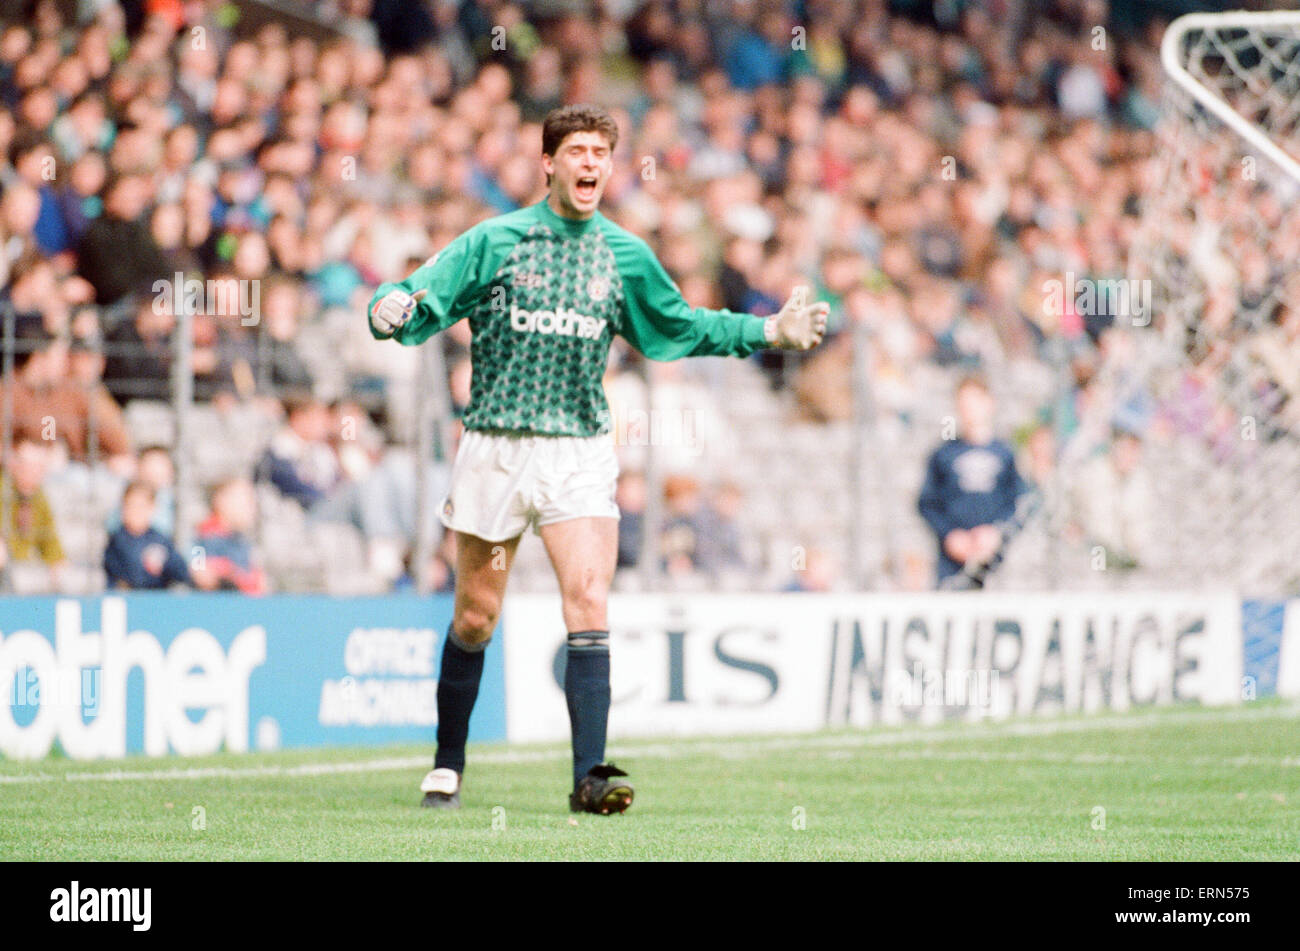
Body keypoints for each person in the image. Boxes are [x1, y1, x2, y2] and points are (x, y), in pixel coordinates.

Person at [367, 104, 828, 814]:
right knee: (476, 617)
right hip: (495, 446)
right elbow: (417, 295)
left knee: (587, 599)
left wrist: (767, 327)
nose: (589, 163)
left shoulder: (623, 254)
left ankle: (590, 776)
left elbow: (681, 327)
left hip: (580, 450)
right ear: (547, 162)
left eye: (600, 153)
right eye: (576, 150)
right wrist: (388, 306)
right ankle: (448, 760)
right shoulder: (497, 240)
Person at [918, 375, 1028, 587]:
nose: (969, 410)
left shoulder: (1006, 453)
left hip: (998, 561)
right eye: (964, 403)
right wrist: (950, 535)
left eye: (974, 401)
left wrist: (996, 533)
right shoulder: (943, 454)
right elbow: (927, 503)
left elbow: (1019, 502)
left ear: (989, 403)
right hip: (953, 563)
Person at [102, 480, 201, 590]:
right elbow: (127, 574)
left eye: (141, 506)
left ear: (152, 508)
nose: (136, 511)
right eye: (130, 505)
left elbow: (180, 571)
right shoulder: (115, 540)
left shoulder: (160, 539)